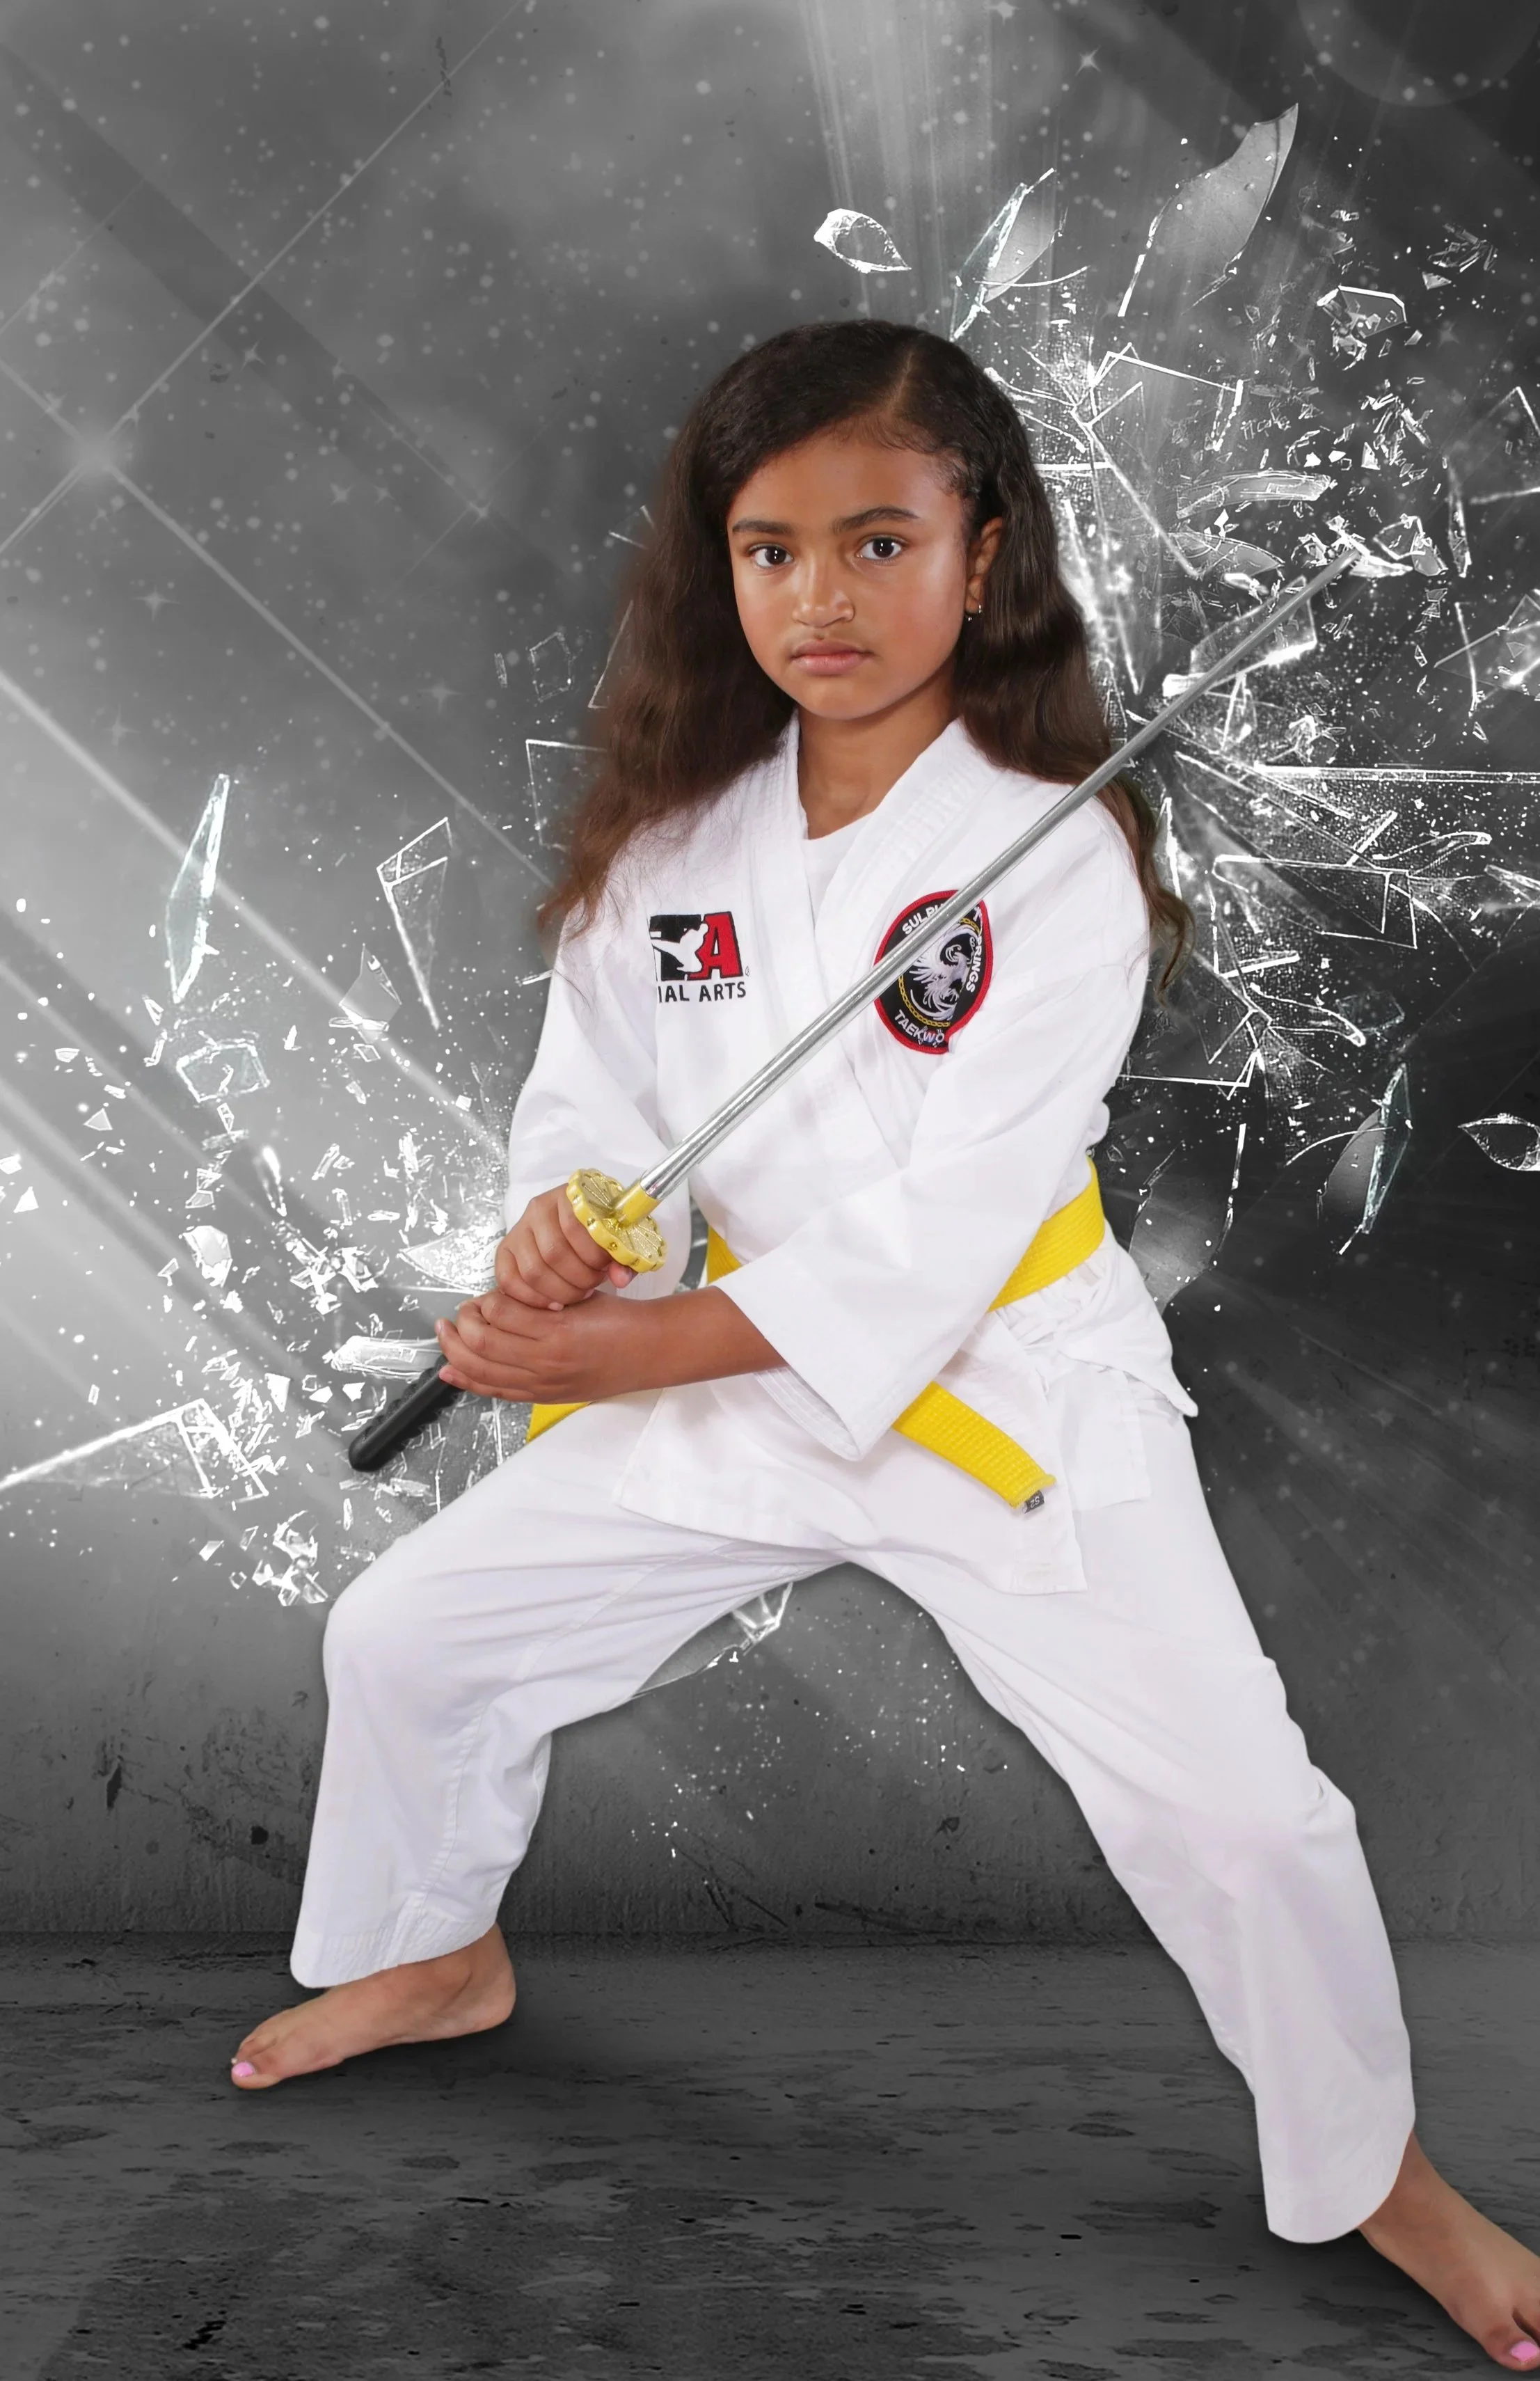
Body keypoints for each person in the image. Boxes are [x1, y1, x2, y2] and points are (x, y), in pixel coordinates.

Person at [230, 321, 1540, 2370]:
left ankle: (1380, 2178)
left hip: (1006, 1390)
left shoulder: (1055, 854)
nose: (818, 599)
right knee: (408, 1635)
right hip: (728, 1372)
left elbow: (953, 1219)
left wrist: (624, 1353)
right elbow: (596, 1102)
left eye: (876, 542)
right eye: (770, 551)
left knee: (1243, 1818)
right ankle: (435, 1952)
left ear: (980, 551)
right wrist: (567, 1230)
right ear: (721, 568)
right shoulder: (676, 848)